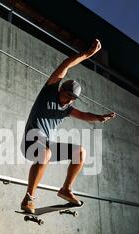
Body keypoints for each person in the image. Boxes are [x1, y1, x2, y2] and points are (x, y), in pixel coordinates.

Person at [21, 39, 116, 214]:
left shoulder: (67, 109)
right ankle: (29, 197)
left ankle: (65, 189)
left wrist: (99, 117)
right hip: (30, 143)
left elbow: (83, 115)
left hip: (46, 145)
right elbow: (66, 64)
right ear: (61, 90)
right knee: (46, 152)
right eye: (68, 96)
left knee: (80, 152)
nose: (70, 100)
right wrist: (87, 55)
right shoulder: (49, 91)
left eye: (73, 98)